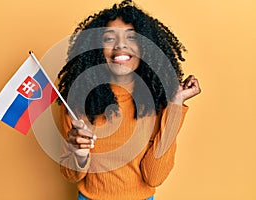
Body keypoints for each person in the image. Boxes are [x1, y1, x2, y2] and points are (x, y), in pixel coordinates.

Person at [56, 0, 201, 199]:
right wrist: (79, 152)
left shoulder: (156, 101)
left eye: (131, 37)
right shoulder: (77, 100)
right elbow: (71, 175)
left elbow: (154, 177)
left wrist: (175, 105)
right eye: (109, 38)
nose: (120, 45)